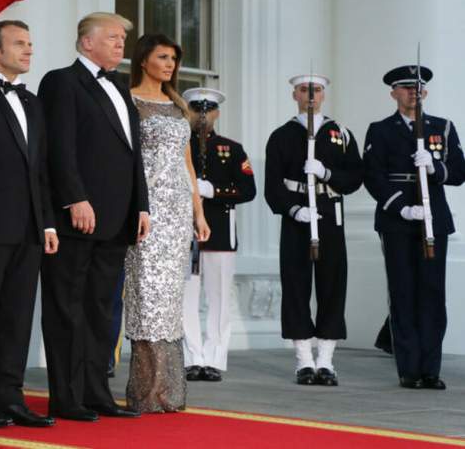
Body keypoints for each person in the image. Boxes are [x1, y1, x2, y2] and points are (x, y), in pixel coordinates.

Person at [37, 12, 150, 422]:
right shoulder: (61, 82)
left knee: (101, 309)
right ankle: (66, 397)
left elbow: (133, 154)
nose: (122, 45)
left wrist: (142, 205)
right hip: (77, 217)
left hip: (118, 218)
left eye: (123, 39)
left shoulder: (120, 86)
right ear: (87, 42)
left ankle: (96, 393)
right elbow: (59, 148)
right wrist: (74, 198)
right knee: (67, 306)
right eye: (114, 38)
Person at [0, 20, 57, 428]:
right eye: (19, 43)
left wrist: (48, 224)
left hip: (30, 230)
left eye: (30, 43)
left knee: (18, 317)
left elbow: (41, 170)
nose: (28, 50)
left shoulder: (33, 102)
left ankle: (10, 397)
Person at [363, 65, 465, 389]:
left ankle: (431, 369)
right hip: (398, 220)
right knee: (403, 292)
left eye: (418, 87)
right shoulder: (380, 130)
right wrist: (400, 207)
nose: (413, 92)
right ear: (393, 93)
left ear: (426, 92)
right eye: (406, 87)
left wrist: (435, 167)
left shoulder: (442, 128)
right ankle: (409, 369)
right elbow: (373, 175)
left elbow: (459, 171)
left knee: (433, 293)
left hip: (434, 219)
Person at [123, 34, 210, 413]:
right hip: (146, 208)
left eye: (174, 58)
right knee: (146, 295)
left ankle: (168, 391)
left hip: (177, 211)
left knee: (170, 298)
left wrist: (199, 212)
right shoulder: (129, 103)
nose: (170, 64)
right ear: (144, 60)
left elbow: (187, 163)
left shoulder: (178, 105)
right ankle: (146, 389)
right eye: (163, 57)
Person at [264, 74, 362, 386]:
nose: (311, 95)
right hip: (297, 216)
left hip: (330, 213)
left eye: (316, 90)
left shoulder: (340, 133)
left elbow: (355, 177)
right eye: (305, 90)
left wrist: (327, 173)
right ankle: (304, 360)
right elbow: (272, 185)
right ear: (294, 94)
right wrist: (294, 209)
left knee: (332, 284)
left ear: (324, 95)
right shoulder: (282, 135)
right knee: (296, 284)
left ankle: (326, 360)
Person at [180, 87, 256, 383]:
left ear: (216, 114)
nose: (202, 116)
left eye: (207, 110)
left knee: (219, 298)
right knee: (186, 299)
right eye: (196, 110)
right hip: (184, 231)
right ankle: (192, 357)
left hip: (220, 232)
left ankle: (214, 357)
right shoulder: (178, 146)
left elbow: (248, 190)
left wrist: (214, 191)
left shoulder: (231, 148)